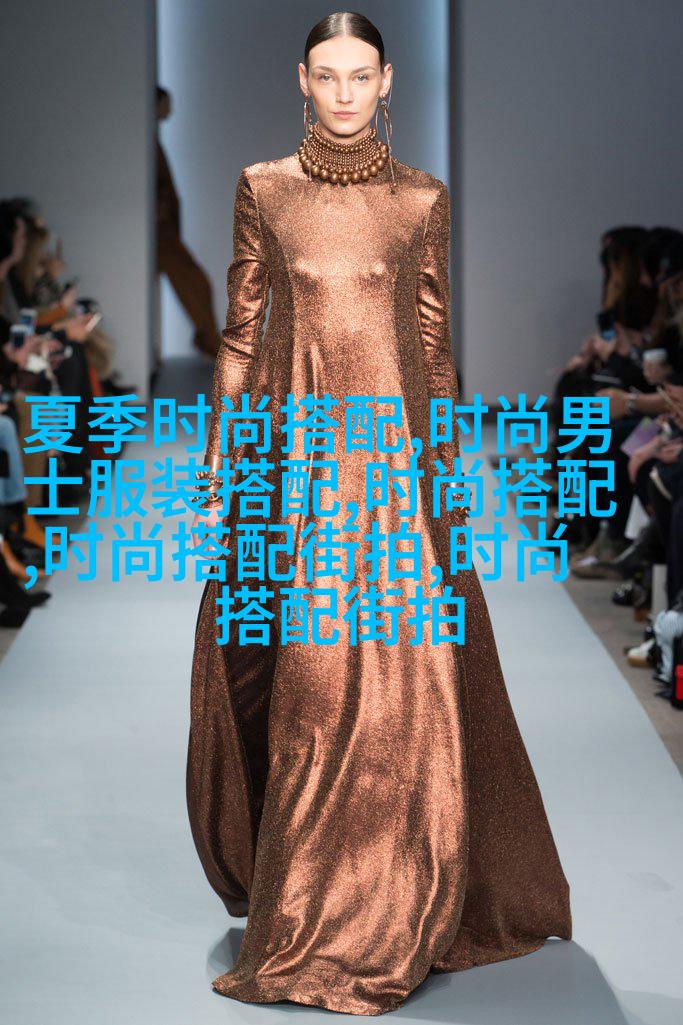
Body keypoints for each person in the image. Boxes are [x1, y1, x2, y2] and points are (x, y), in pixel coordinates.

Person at [186, 11, 571, 1016]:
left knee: (405, 688)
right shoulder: (264, 188)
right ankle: (309, 908)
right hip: (295, 466)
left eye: (361, 75)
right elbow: (241, 329)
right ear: (301, 80)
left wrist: (445, 468)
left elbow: (432, 339)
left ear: (387, 81)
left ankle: (397, 900)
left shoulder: (420, 199)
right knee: (306, 682)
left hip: (393, 475)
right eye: (328, 75)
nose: (345, 93)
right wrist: (222, 454)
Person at [156, 85, 222, 359]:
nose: (170, 110)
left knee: (198, 285)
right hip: (161, 231)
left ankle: (208, 340)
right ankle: (209, 342)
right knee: (197, 284)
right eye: (166, 104)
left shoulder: (152, 143)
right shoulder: (149, 144)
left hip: (164, 229)